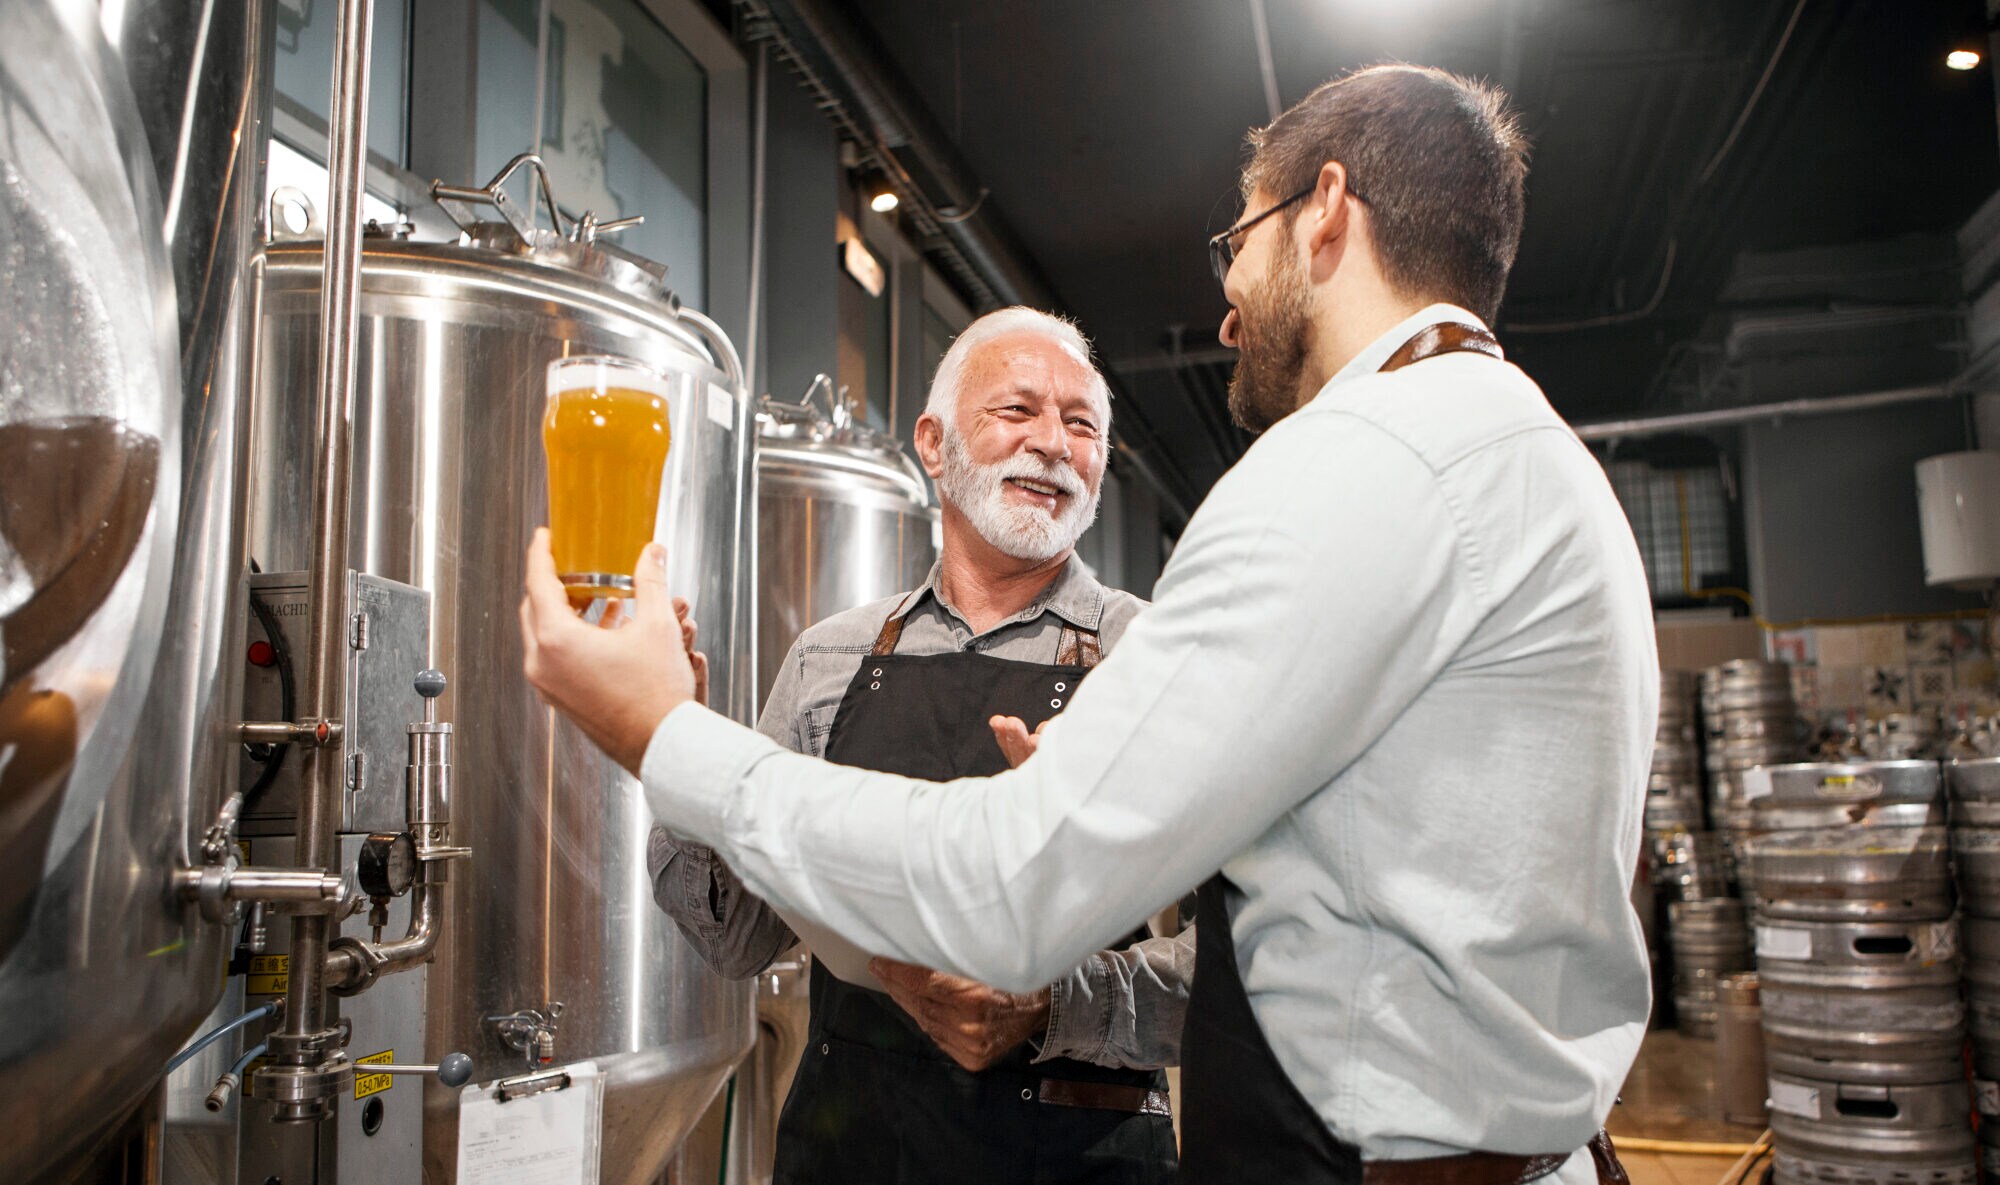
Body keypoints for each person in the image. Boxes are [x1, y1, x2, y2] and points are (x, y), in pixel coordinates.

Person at [522, 64, 1655, 1185]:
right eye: (1016, 410)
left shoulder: (1352, 468)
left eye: (1237, 241)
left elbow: (1009, 889)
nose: (1228, 307)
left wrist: (661, 733)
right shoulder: (1530, 459)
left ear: (1322, 211)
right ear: (933, 445)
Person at [649, 307, 1185, 1184]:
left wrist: (1055, 1003)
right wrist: (678, 742)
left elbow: (1240, 965)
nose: (1054, 444)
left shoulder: (1157, 659)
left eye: (1082, 424)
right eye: (1018, 410)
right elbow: (738, 939)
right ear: (934, 445)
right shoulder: (830, 658)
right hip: (851, 1149)